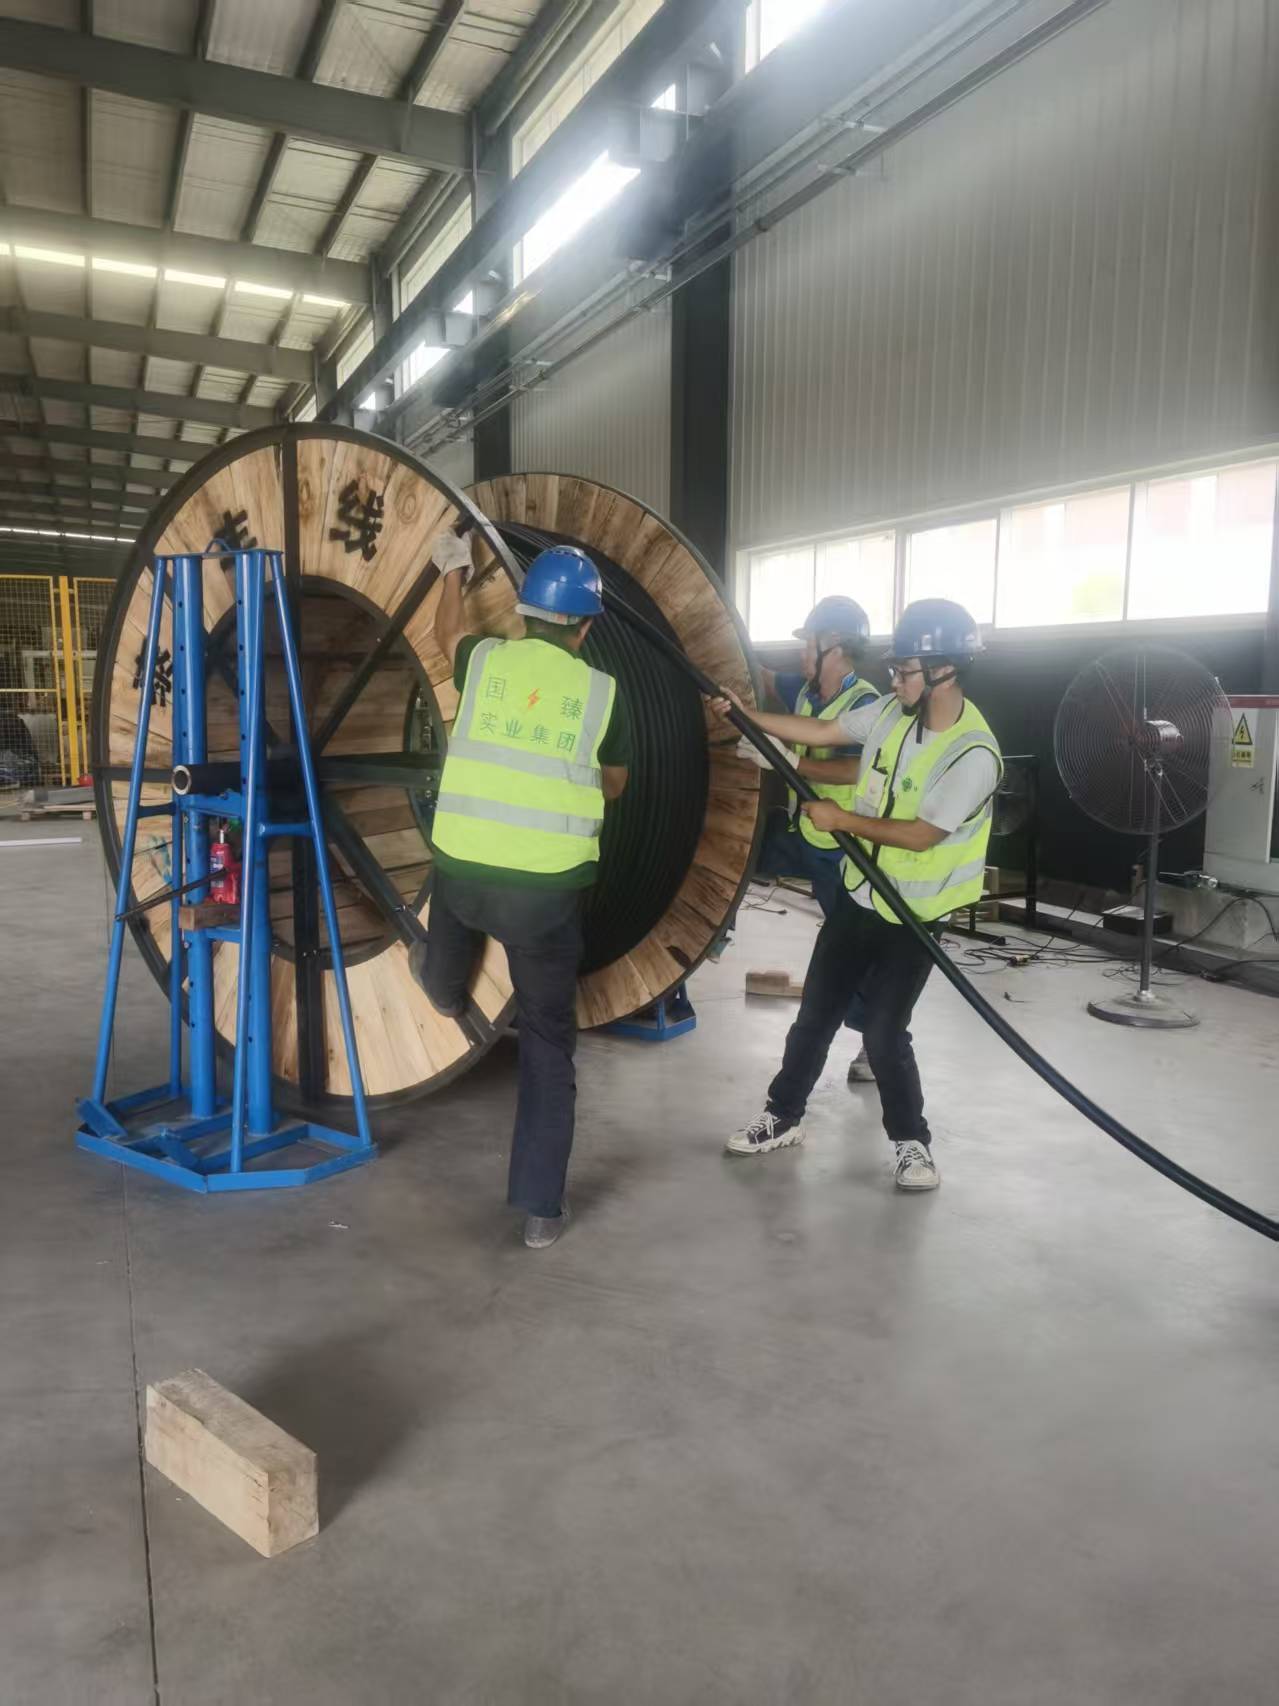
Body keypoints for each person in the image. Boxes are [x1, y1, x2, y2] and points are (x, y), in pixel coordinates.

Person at [716, 599, 1002, 1192]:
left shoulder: (973, 754)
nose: (894, 680)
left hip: (913, 916)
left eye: (905, 671)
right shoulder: (893, 714)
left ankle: (911, 1143)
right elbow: (824, 731)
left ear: (944, 671)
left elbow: (923, 835)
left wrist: (840, 820)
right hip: (859, 894)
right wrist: (746, 716)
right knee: (815, 1015)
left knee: (884, 1033)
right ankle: (782, 1116)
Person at [409, 531, 630, 1248]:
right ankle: (540, 1211)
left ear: (527, 614)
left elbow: (445, 634)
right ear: (585, 627)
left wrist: (453, 571)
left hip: (463, 873)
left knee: (444, 945)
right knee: (545, 1043)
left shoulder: (485, 661)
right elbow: (616, 784)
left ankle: (444, 989)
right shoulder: (602, 693)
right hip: (544, 898)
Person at [751, 595, 881, 1084]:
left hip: (841, 847)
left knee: (851, 943)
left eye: (809, 643)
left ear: (836, 647)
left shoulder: (864, 703)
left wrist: (791, 763)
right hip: (804, 832)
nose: (802, 652)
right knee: (742, 853)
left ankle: (874, 1041)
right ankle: (717, 934)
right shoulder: (807, 691)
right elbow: (765, 677)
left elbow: (854, 770)